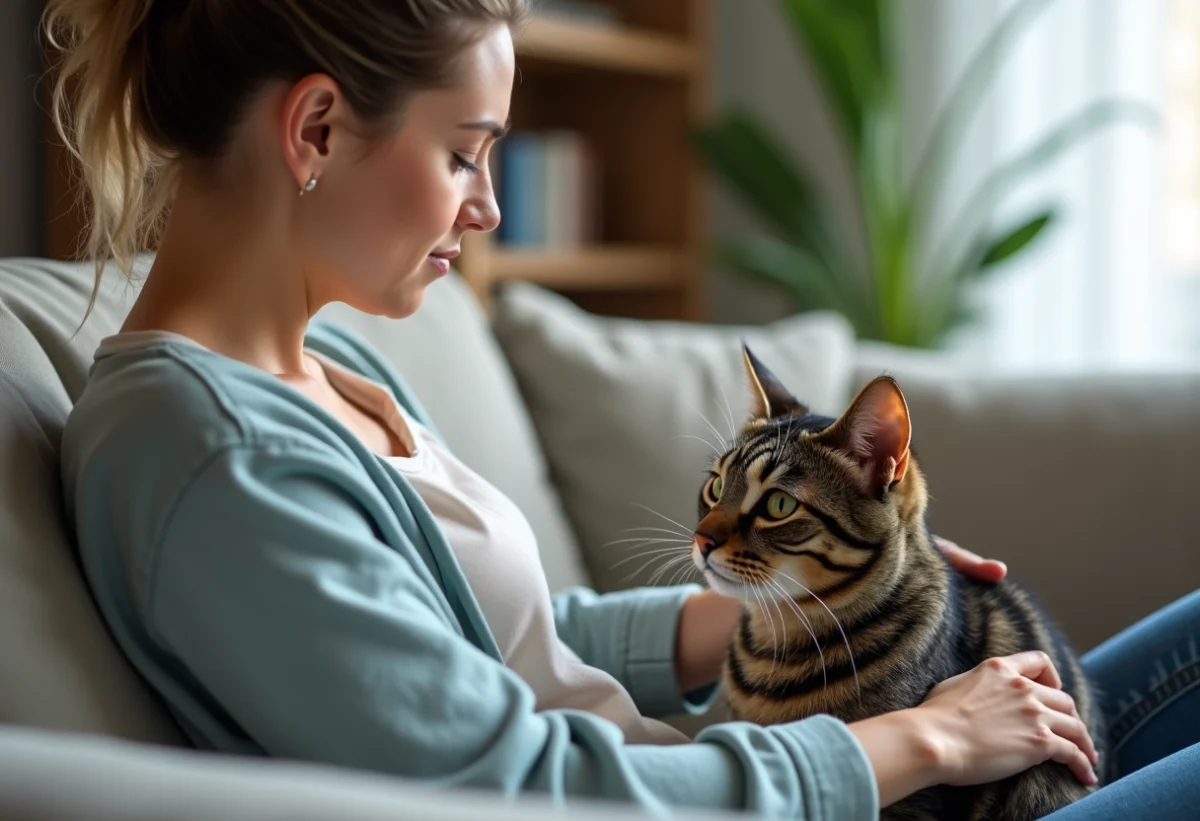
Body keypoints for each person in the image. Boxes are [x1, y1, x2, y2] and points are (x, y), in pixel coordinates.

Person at [44, 0, 1197, 818]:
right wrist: (921, 735)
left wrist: (801, 600)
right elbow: (518, 787)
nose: (491, 207)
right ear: (316, 130)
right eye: (465, 154)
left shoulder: (328, 368)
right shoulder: (208, 454)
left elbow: (503, 648)